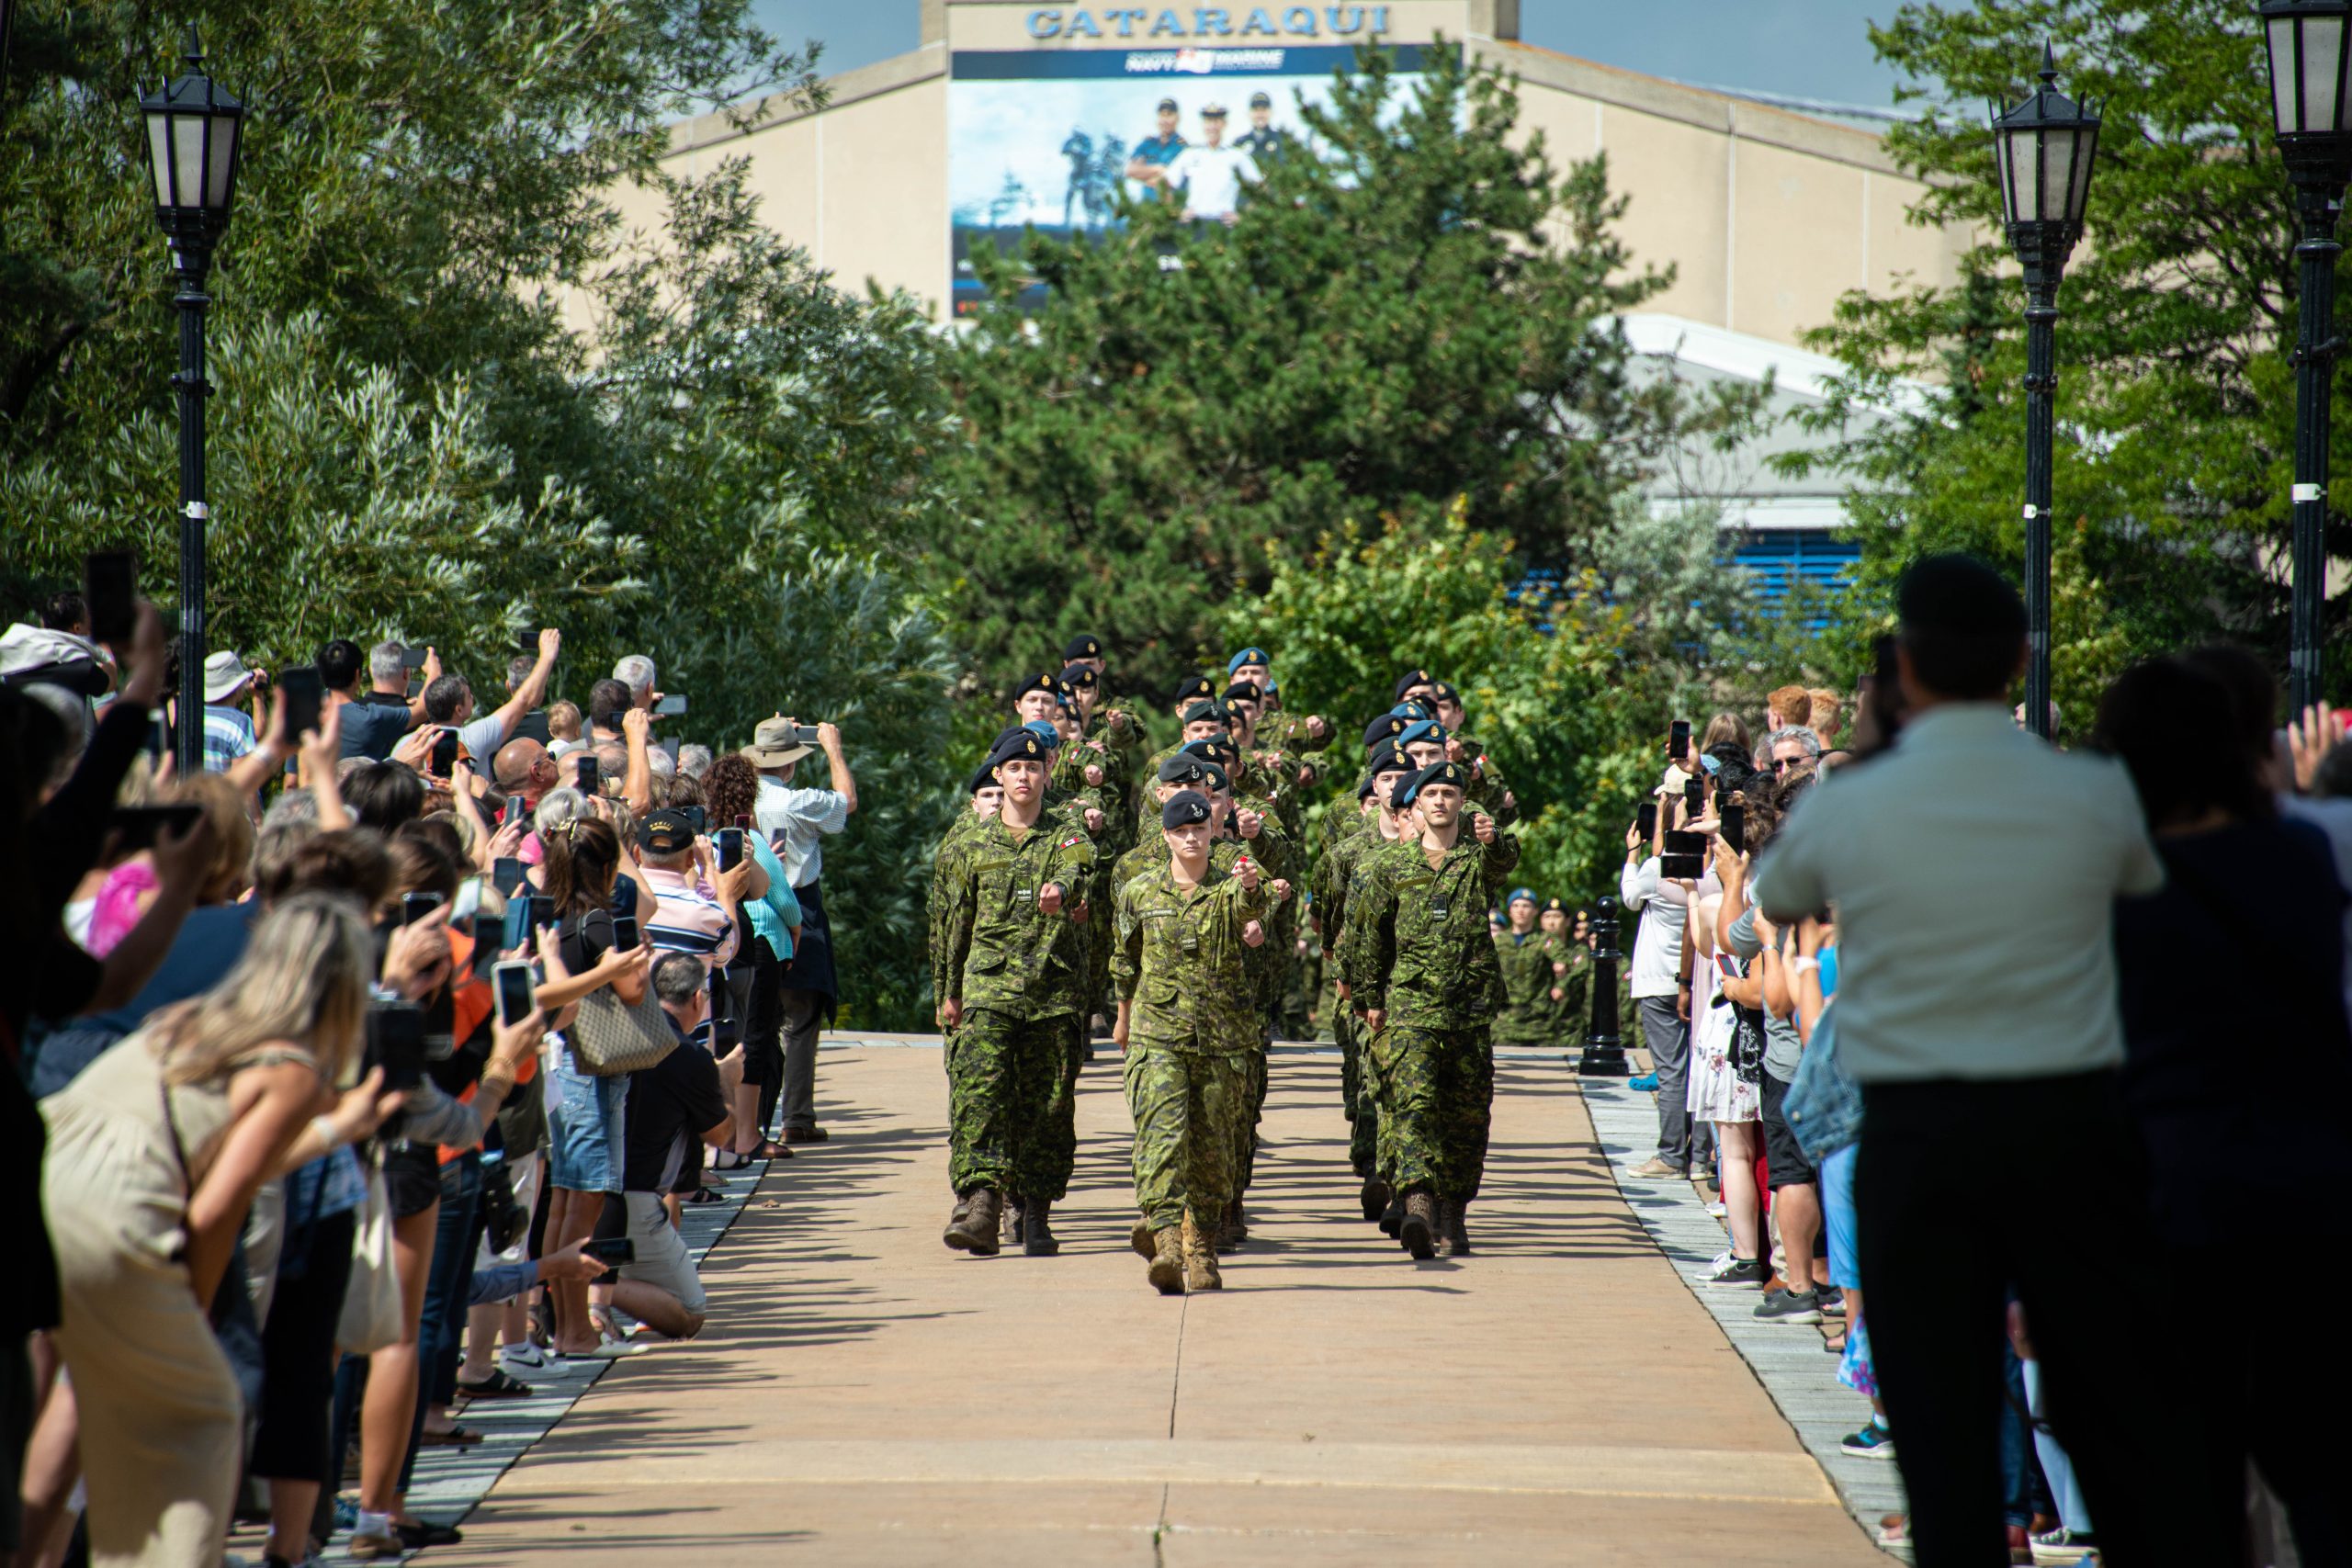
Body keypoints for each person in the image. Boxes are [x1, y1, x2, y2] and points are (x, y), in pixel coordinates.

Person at [1750, 553, 2199, 1568]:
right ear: (2020, 659)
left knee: (1938, 1417)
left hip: (1920, 1130)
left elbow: (1779, 897)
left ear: (1900, 667)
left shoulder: (1856, 799)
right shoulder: (2086, 792)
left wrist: (1869, 748)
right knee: (2097, 1397)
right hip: (2065, 1130)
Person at [39, 895, 393, 1568]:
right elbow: (215, 1210)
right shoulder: (290, 1062)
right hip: (126, 1205)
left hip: (52, 1176)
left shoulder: (191, 1019)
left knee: (74, 1396)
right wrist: (192, 1319)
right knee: (206, 1411)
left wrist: (332, 1131)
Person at [2096, 655, 2351, 1561]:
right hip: (2310, 1195)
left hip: (2173, 1206)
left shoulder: (2117, 889)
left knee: (2183, 1476)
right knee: (2316, 1464)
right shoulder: (2301, 854)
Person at [1340, 761, 1518, 1259]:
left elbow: (1505, 859)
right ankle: (1417, 1199)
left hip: (1468, 1007)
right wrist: (1370, 999)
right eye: (1431, 793)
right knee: (1413, 1107)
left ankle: (1453, 1213)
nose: (1440, 800)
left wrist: (1492, 837)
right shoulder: (1391, 868)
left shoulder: (1476, 859)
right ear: (1415, 805)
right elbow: (1370, 938)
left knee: (1466, 1116)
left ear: (1462, 802)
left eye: (1449, 793)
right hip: (1410, 1006)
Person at [933, 728, 1095, 1255]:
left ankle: (1034, 1211)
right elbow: (952, 924)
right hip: (987, 989)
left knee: (1047, 1108)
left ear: (1047, 774)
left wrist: (1063, 890)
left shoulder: (1067, 836)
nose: (1025, 776)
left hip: (1053, 993)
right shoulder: (970, 846)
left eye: (1034, 768)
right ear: (998, 777)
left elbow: (1080, 868)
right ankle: (981, 1202)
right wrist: (948, 991)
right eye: (1014, 769)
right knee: (980, 1097)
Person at [1114, 790, 1279, 1293]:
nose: (1190, 838)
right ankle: (1166, 1242)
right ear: (1165, 835)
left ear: (1212, 833)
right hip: (1157, 1035)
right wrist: (1122, 1020)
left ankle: (1201, 1246)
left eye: (1199, 829)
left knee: (1213, 1149)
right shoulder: (1140, 891)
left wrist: (1253, 890)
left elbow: (1256, 907)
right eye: (1181, 831)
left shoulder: (1230, 889)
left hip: (1221, 1040)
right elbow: (1124, 959)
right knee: (1160, 1140)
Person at [616, 954, 748, 1340]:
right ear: (697, 999)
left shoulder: (624, 1031)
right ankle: (580, 1283)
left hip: (588, 1189)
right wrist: (725, 1079)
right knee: (688, 1313)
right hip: (636, 1197)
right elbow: (722, 1137)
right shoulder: (687, 1054)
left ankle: (581, 1283)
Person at [745, 715, 856, 1145]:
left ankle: (751, 1124)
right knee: (801, 1018)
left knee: (756, 1019)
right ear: (790, 765)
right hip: (799, 911)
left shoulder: (738, 797)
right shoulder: (799, 801)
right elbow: (846, 801)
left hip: (750, 910)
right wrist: (833, 749)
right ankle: (796, 1117)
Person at [1163, 102, 1259, 224]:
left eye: (1217, 121)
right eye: (1208, 121)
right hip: (1195, 224)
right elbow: (1164, 184)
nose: (1212, 127)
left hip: (1224, 225)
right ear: (1203, 125)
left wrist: (1244, 216)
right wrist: (1176, 212)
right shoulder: (1190, 154)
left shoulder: (1237, 156)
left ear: (1224, 124)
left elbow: (1259, 190)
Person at [1124, 96, 1186, 192]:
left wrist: (1148, 176)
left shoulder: (1183, 148)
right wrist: (1157, 169)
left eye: (1169, 115)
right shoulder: (1148, 144)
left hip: (1173, 205)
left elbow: (1177, 179)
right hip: (1148, 205)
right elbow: (1130, 171)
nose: (1165, 120)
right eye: (1162, 115)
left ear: (1177, 118)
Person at [1234, 90, 1293, 162]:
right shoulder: (1240, 142)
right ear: (1249, 114)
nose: (1260, 114)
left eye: (1264, 110)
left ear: (1271, 112)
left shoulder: (1281, 140)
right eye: (1256, 110)